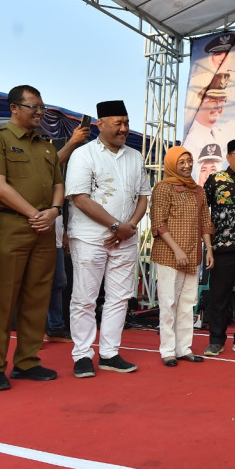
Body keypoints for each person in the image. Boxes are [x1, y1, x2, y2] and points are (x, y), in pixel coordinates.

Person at [0, 85, 64, 391]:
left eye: (42, 107)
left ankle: (27, 362)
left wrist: (53, 210)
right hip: (11, 227)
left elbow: (58, 185)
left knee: (37, 298)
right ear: (14, 107)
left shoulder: (47, 147)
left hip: (44, 228)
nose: (40, 112)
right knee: (2, 301)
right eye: (33, 107)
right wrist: (34, 214)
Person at [66, 100, 151, 378]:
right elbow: (80, 198)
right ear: (100, 125)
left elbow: (143, 197)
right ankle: (82, 355)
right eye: (118, 123)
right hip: (91, 238)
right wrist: (116, 226)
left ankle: (110, 353)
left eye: (127, 123)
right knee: (85, 298)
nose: (125, 129)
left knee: (120, 298)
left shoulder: (135, 156)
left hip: (124, 237)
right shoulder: (84, 154)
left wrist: (129, 227)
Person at [150, 146, 215, 366]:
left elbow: (206, 221)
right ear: (171, 164)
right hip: (169, 254)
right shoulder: (162, 188)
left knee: (188, 303)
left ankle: (183, 348)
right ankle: (168, 350)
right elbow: (158, 222)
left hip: (193, 253)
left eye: (189, 161)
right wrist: (177, 250)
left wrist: (209, 249)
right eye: (181, 162)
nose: (187, 166)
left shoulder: (198, 190)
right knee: (169, 303)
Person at [201, 138, 235, 357]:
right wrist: (209, 247)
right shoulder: (216, 179)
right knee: (218, 297)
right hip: (223, 249)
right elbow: (204, 214)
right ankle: (216, 340)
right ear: (229, 157)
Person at [45, 123, 92, 342]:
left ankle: (55, 327)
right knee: (39, 284)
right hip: (36, 233)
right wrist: (73, 142)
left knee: (59, 282)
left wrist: (62, 233)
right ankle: (37, 328)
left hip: (55, 234)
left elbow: (60, 208)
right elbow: (51, 162)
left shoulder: (58, 180)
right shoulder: (41, 167)